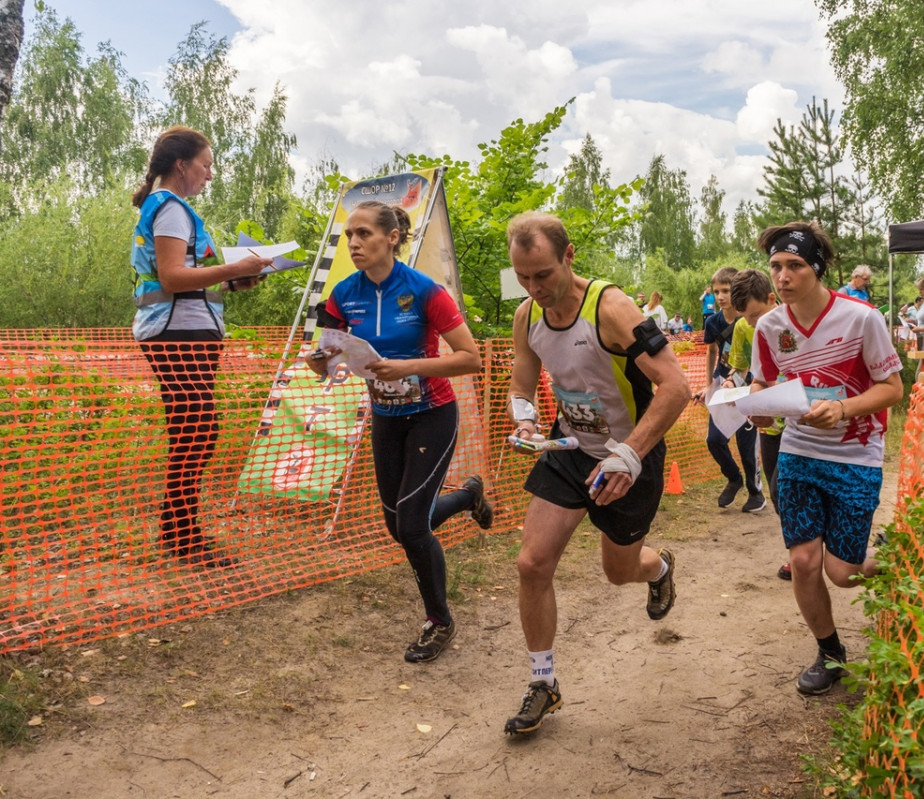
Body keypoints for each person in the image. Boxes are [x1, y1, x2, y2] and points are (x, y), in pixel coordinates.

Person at [503, 212, 690, 735]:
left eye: (543, 274)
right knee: (532, 564)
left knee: (618, 571)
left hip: (632, 452)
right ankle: (543, 682)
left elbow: (675, 387)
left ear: (568, 255)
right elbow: (522, 382)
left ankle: (658, 570)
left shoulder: (612, 309)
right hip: (569, 449)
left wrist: (629, 454)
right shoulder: (527, 316)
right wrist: (523, 417)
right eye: (523, 277)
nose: (535, 288)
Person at [304, 200, 493, 664]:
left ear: (392, 237)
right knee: (399, 525)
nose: (353, 243)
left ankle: (439, 621)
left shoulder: (426, 291)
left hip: (432, 414)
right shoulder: (343, 294)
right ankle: (468, 497)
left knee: (411, 524)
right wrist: (320, 361)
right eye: (349, 235)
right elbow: (325, 359)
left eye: (364, 234)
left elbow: (470, 358)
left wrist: (408, 365)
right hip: (386, 419)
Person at [748, 221, 903, 695]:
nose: (782, 276)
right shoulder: (769, 327)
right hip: (797, 452)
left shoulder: (862, 319)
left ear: (816, 268)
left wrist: (842, 407)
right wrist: (757, 407)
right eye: (776, 266)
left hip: (857, 455)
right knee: (804, 560)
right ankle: (830, 653)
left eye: (794, 265)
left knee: (843, 571)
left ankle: (903, 562)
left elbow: (893, 389)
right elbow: (761, 381)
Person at [132, 126, 274, 569]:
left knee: (195, 429)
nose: (210, 175)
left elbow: (181, 278)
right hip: (177, 332)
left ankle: (181, 533)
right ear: (182, 165)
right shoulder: (171, 209)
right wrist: (232, 266)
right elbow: (174, 277)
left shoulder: (171, 208)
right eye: (206, 165)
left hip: (181, 328)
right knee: (198, 429)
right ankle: (183, 537)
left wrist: (233, 279)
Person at [700, 266, 763, 510]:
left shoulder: (748, 318)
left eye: (725, 290)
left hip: (748, 384)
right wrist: (708, 384)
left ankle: (755, 493)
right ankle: (733, 478)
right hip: (722, 383)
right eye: (716, 291)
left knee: (746, 445)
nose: (720, 296)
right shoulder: (713, 322)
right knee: (714, 439)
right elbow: (711, 350)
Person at [725, 269, 775, 516]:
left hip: (801, 430)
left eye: (755, 314)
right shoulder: (750, 328)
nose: (752, 322)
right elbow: (753, 374)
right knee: (778, 495)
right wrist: (732, 385)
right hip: (770, 428)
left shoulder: (789, 326)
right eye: (746, 317)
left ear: (772, 299)